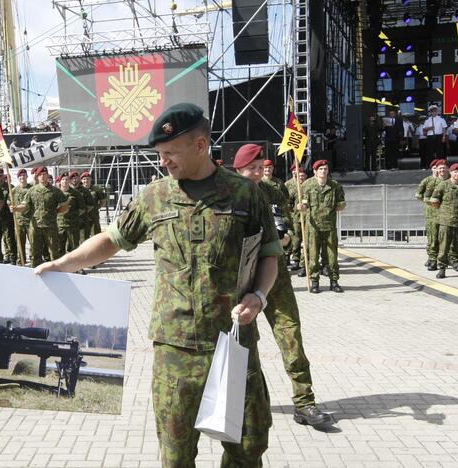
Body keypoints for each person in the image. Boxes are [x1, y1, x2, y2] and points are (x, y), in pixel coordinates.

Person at [36, 103, 280, 467]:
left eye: (170, 153)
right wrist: (63, 264)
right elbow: (112, 239)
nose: (163, 161)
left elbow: (269, 255)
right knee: (176, 454)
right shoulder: (154, 197)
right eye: (159, 154)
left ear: (200, 145)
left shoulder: (246, 194)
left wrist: (259, 297)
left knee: (246, 448)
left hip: (232, 343)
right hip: (174, 350)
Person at [233, 143, 330, 426]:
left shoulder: (272, 190)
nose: (255, 174)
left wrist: (285, 237)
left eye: (259, 168)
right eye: (250, 169)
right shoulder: (227, 197)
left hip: (274, 274)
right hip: (238, 278)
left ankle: (304, 402)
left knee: (291, 334)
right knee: (238, 342)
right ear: (237, 170)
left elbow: (284, 220)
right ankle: (236, 402)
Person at [299, 159, 346, 293]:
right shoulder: (307, 185)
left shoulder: (335, 185)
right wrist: (301, 207)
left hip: (329, 226)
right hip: (313, 227)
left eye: (325, 169)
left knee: (332, 256)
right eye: (320, 169)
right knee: (313, 256)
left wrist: (341, 205)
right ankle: (314, 282)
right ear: (315, 171)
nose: (323, 171)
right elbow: (304, 203)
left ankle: (334, 281)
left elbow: (341, 201)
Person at [14, 166, 69, 267]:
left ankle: (56, 273)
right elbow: (25, 205)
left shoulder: (55, 191)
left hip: (50, 226)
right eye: (40, 175)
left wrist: (55, 213)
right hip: (35, 227)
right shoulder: (32, 190)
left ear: (48, 176)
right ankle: (35, 271)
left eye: (44, 174)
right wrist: (16, 208)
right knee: (35, 252)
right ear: (37, 177)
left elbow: (65, 206)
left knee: (54, 252)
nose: (42, 177)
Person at [429, 163, 458, 278]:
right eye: (455, 172)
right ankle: (442, 269)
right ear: (451, 172)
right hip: (446, 221)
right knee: (444, 246)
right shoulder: (443, 185)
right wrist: (445, 211)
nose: (457, 174)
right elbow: (434, 201)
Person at [417, 160, 442, 269]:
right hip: (431, 212)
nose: (437, 170)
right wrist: (429, 203)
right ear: (432, 169)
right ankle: (431, 257)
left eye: (439, 168)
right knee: (432, 236)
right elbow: (419, 195)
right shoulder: (427, 181)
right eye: (435, 168)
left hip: (443, 212)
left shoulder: (446, 180)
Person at [285, 165, 308, 271]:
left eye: (303, 176)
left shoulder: (309, 186)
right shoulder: (294, 188)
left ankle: (306, 262)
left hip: (309, 218)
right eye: (300, 176)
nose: (301, 178)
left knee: (308, 241)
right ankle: (296, 259)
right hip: (297, 218)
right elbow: (289, 202)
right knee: (296, 239)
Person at [56, 173, 82, 256]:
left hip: (72, 225)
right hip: (60, 225)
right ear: (60, 182)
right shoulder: (55, 193)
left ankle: (75, 267)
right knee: (60, 247)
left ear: (69, 181)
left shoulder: (76, 193)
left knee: (74, 248)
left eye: (67, 179)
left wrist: (74, 217)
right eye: (63, 179)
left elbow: (82, 208)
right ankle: (60, 267)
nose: (65, 181)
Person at [0, 169, 17, 264]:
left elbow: (14, 201)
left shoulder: (10, 187)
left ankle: (13, 257)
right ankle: (6, 255)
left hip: (7, 217)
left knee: (9, 238)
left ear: (3, 176)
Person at [10, 168, 32, 266]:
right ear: (18, 178)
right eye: (20, 176)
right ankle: (21, 261)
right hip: (19, 221)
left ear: (27, 177)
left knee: (33, 243)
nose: (22, 177)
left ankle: (33, 260)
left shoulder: (32, 189)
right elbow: (10, 203)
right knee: (20, 244)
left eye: (24, 175)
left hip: (30, 221)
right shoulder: (14, 190)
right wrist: (11, 208)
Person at [81, 171, 106, 239]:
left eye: (88, 178)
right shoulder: (78, 190)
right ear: (81, 180)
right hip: (82, 217)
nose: (86, 181)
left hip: (93, 216)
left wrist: (97, 208)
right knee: (83, 237)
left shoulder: (96, 189)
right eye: (84, 179)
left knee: (96, 236)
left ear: (91, 179)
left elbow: (103, 201)